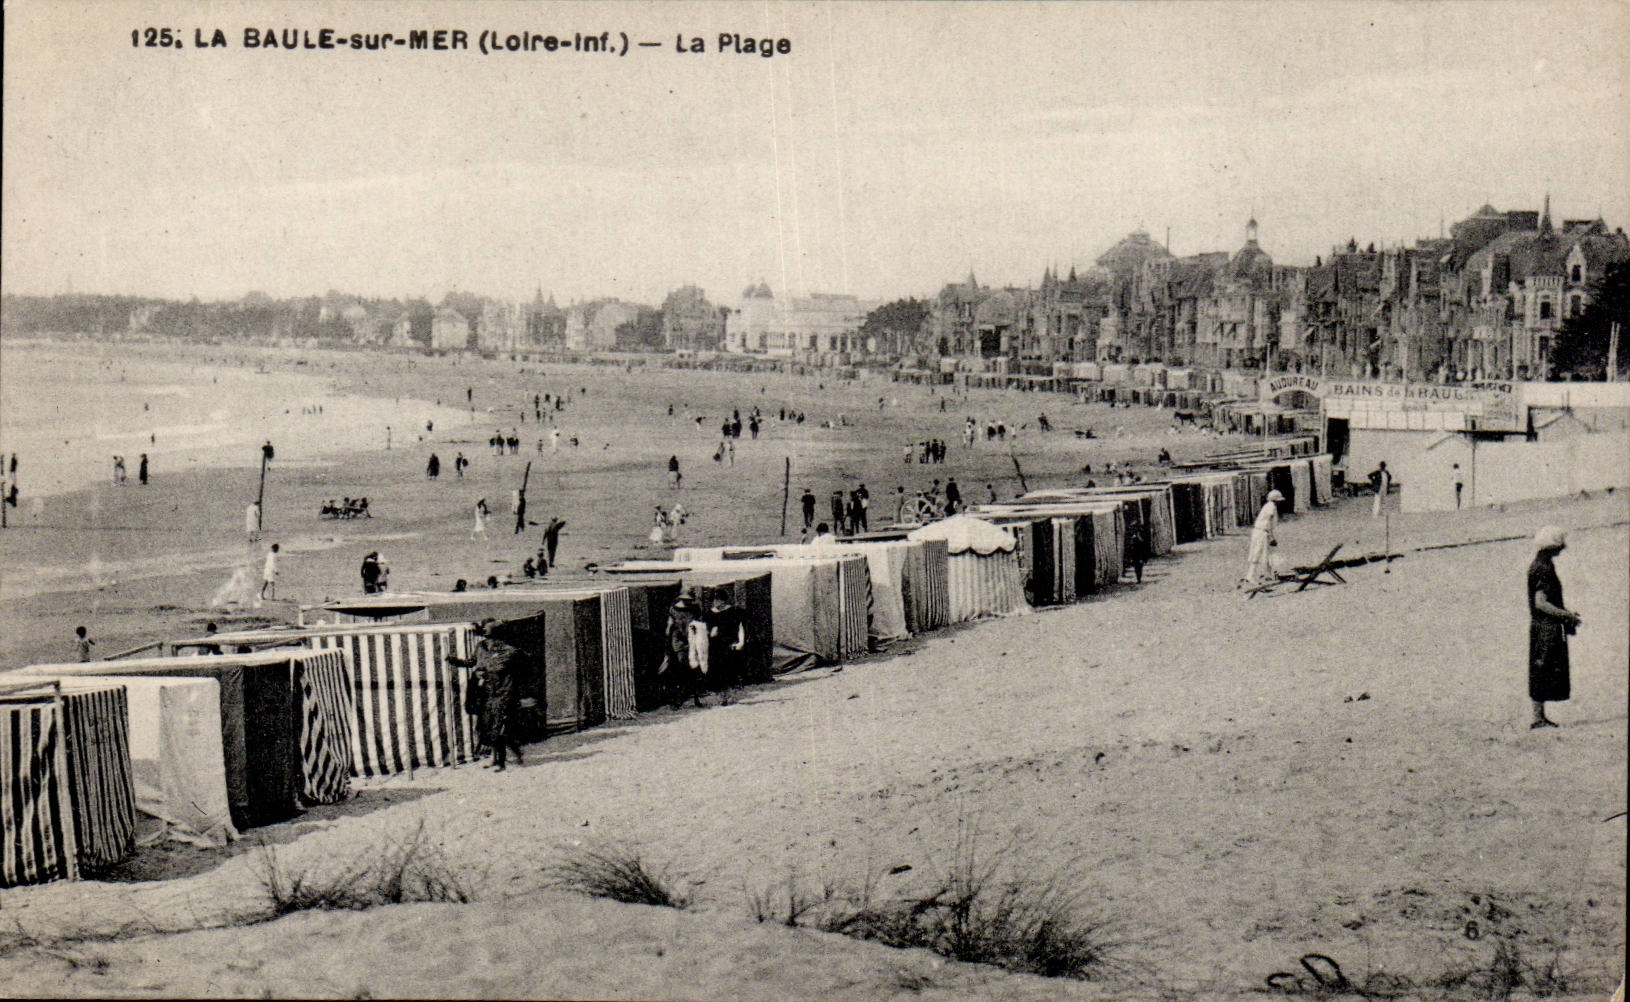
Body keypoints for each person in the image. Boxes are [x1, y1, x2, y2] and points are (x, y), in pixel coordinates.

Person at [447, 620, 527, 771]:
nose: (488, 641)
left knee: (497, 727)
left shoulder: (509, 650)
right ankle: (499, 756)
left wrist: (487, 671)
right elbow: (471, 662)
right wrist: (454, 661)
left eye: (490, 637)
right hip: (487, 692)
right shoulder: (480, 647)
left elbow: (516, 666)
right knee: (486, 727)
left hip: (503, 693)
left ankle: (501, 762)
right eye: (486, 636)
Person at [1527, 526, 1582, 729]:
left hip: (1542, 625)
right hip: (1546, 627)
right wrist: (1566, 615)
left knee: (1540, 667)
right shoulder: (1543, 568)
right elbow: (1541, 602)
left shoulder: (1540, 564)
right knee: (1542, 667)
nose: (1562, 548)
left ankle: (1539, 716)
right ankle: (1538, 718)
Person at [660, 594, 706, 709]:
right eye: (687, 601)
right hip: (679, 641)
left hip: (691, 639)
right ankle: (680, 698)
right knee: (682, 668)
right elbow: (669, 628)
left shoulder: (694, 609)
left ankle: (695, 697)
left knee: (693, 668)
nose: (689, 602)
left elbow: (699, 624)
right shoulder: (673, 609)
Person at [1242, 490, 1283, 588]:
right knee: (1258, 553)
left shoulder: (1269, 506)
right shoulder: (1271, 507)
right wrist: (1271, 537)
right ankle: (1250, 575)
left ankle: (1268, 574)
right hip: (1262, 532)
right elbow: (1268, 522)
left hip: (1263, 532)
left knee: (1268, 553)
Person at [705, 592, 747, 690]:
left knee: (730, 665)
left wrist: (741, 641)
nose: (715, 602)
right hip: (715, 644)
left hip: (730, 642)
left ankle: (732, 687)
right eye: (714, 600)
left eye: (718, 599)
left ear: (723, 600)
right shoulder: (709, 614)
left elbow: (740, 627)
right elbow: (706, 630)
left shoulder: (733, 611)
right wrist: (711, 632)